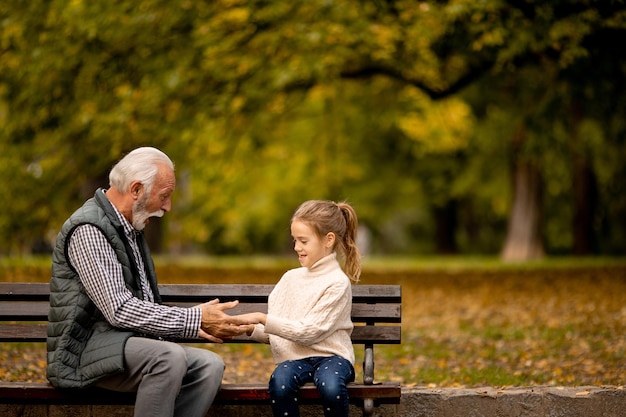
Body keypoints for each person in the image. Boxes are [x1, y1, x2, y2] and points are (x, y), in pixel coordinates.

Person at [47, 147, 251, 417]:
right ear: (136, 190)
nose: (167, 207)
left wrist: (194, 318)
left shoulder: (130, 228)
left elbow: (142, 307)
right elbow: (119, 309)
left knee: (209, 365)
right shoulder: (89, 230)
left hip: (123, 344)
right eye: (164, 196)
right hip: (82, 351)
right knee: (168, 358)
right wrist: (194, 319)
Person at [241, 200, 362, 417]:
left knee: (331, 385)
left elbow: (308, 332)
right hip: (295, 358)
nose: (297, 247)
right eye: (295, 240)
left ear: (329, 240)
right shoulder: (289, 279)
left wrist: (262, 318)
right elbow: (280, 333)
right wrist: (250, 329)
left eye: (303, 241)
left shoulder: (337, 282)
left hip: (332, 357)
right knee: (280, 383)